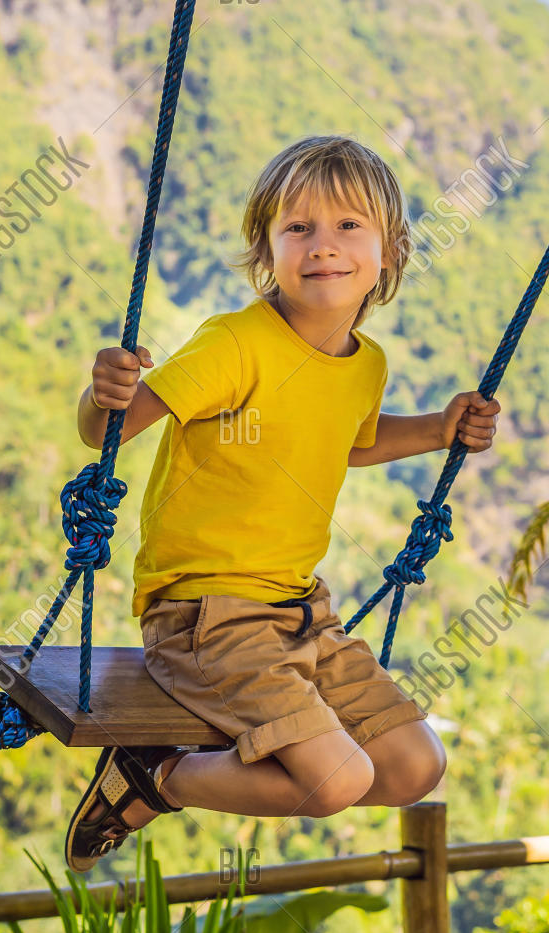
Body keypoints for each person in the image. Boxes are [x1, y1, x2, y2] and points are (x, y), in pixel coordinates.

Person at [67, 135, 501, 871]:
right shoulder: (235, 344)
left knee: (413, 769)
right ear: (266, 250)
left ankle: (158, 775)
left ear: (390, 250)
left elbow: (350, 443)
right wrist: (102, 393)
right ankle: (158, 777)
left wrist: (437, 429)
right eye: (298, 228)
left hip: (303, 612)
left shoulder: (366, 365)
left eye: (348, 227)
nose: (322, 247)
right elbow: (112, 428)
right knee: (340, 778)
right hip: (204, 615)